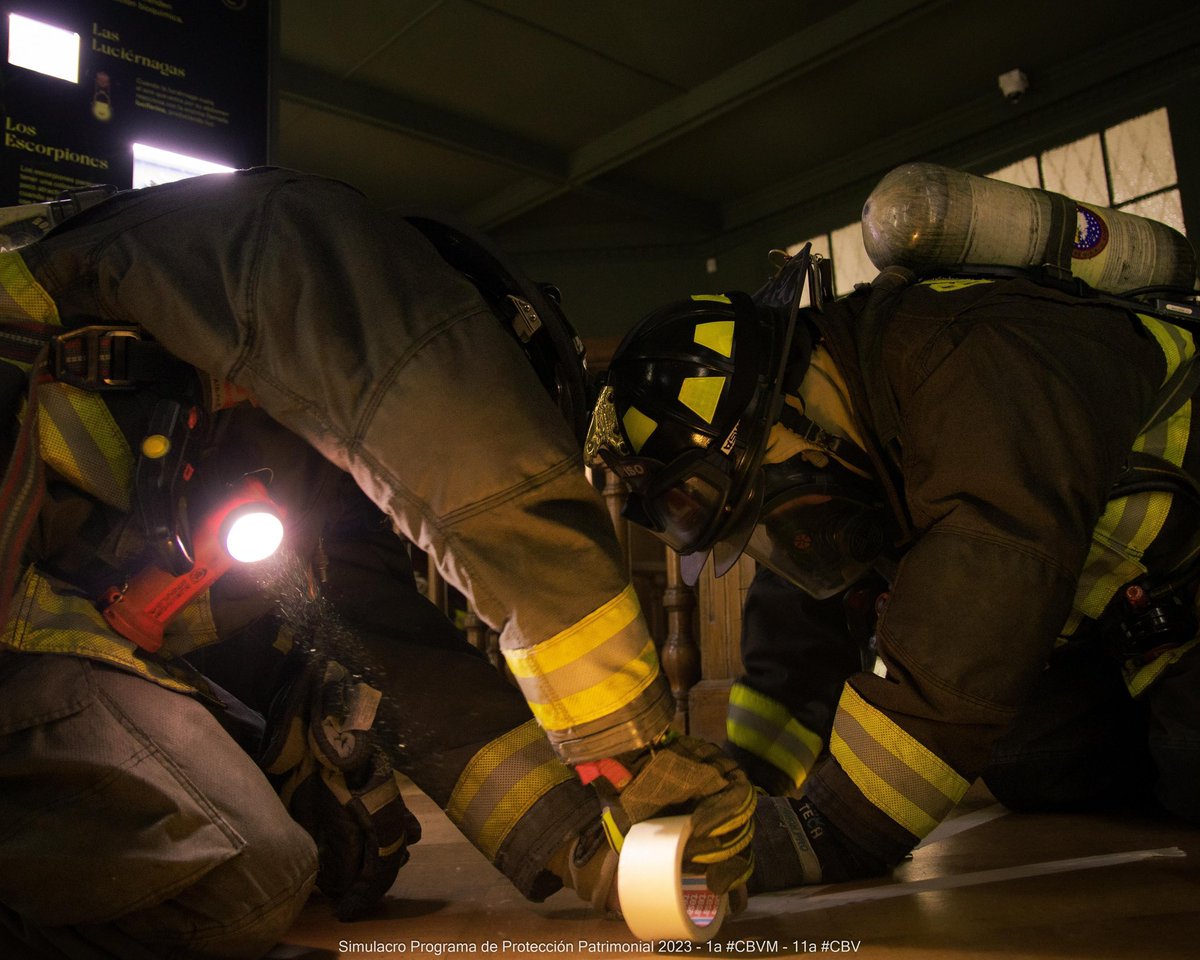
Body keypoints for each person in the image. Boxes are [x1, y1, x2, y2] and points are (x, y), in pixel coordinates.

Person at [0, 167, 755, 959]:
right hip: (20, 630)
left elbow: (402, 664)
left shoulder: (296, 460)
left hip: (47, 640)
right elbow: (475, 448)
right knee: (242, 875)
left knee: (341, 843)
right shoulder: (308, 243)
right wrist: (645, 753)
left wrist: (596, 851)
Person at [585, 222, 1200, 892]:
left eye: (761, 504)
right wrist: (747, 791)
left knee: (1189, 757)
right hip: (1137, 623)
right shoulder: (854, 425)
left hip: (1181, 583)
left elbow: (980, 588)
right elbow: (803, 626)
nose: (779, 537)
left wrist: (830, 830)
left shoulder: (969, 357)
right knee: (1031, 759)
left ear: (791, 413)